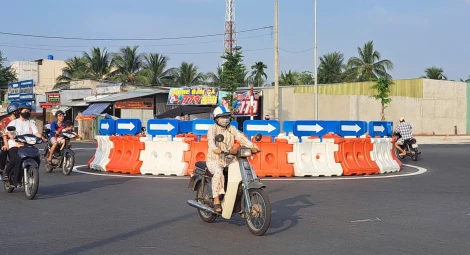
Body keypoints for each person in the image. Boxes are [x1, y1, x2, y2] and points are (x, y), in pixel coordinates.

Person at [207, 106, 260, 213]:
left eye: (227, 116)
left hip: (229, 159)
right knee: (218, 172)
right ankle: (216, 199)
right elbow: (211, 141)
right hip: (215, 159)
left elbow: (240, 138)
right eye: (222, 117)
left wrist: (253, 146)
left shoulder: (231, 128)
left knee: (243, 172)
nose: (225, 119)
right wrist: (215, 149)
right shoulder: (212, 128)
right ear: (216, 119)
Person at [2, 103, 45, 187]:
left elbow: (36, 133)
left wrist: (42, 138)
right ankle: (7, 173)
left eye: (28, 111)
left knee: (35, 155)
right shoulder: (14, 122)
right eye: (25, 110)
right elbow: (9, 132)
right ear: (20, 111)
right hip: (14, 144)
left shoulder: (31, 123)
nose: (27, 112)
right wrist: (12, 137)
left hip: (27, 145)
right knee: (16, 156)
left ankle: (30, 171)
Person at [0, 103, 20, 175]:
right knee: (4, 150)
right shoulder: (5, 121)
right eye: (18, 111)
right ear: (13, 112)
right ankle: (1, 168)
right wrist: (6, 144)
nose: (20, 112)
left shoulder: (19, 120)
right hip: (6, 141)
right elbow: (4, 134)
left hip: (19, 140)